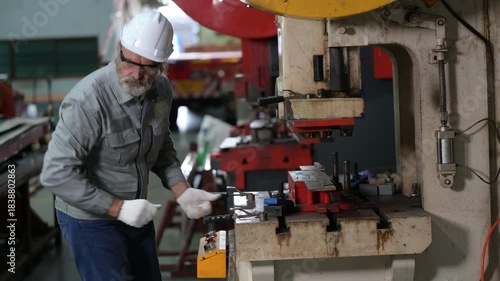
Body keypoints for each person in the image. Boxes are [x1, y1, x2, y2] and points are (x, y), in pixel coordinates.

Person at [40, 10, 220, 281]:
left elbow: (161, 146)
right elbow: (55, 173)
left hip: (135, 211)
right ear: (118, 50)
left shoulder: (161, 91)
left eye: (148, 67)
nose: (136, 74)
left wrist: (182, 190)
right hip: (91, 221)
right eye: (129, 62)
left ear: (162, 66)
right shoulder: (88, 102)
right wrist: (118, 208)